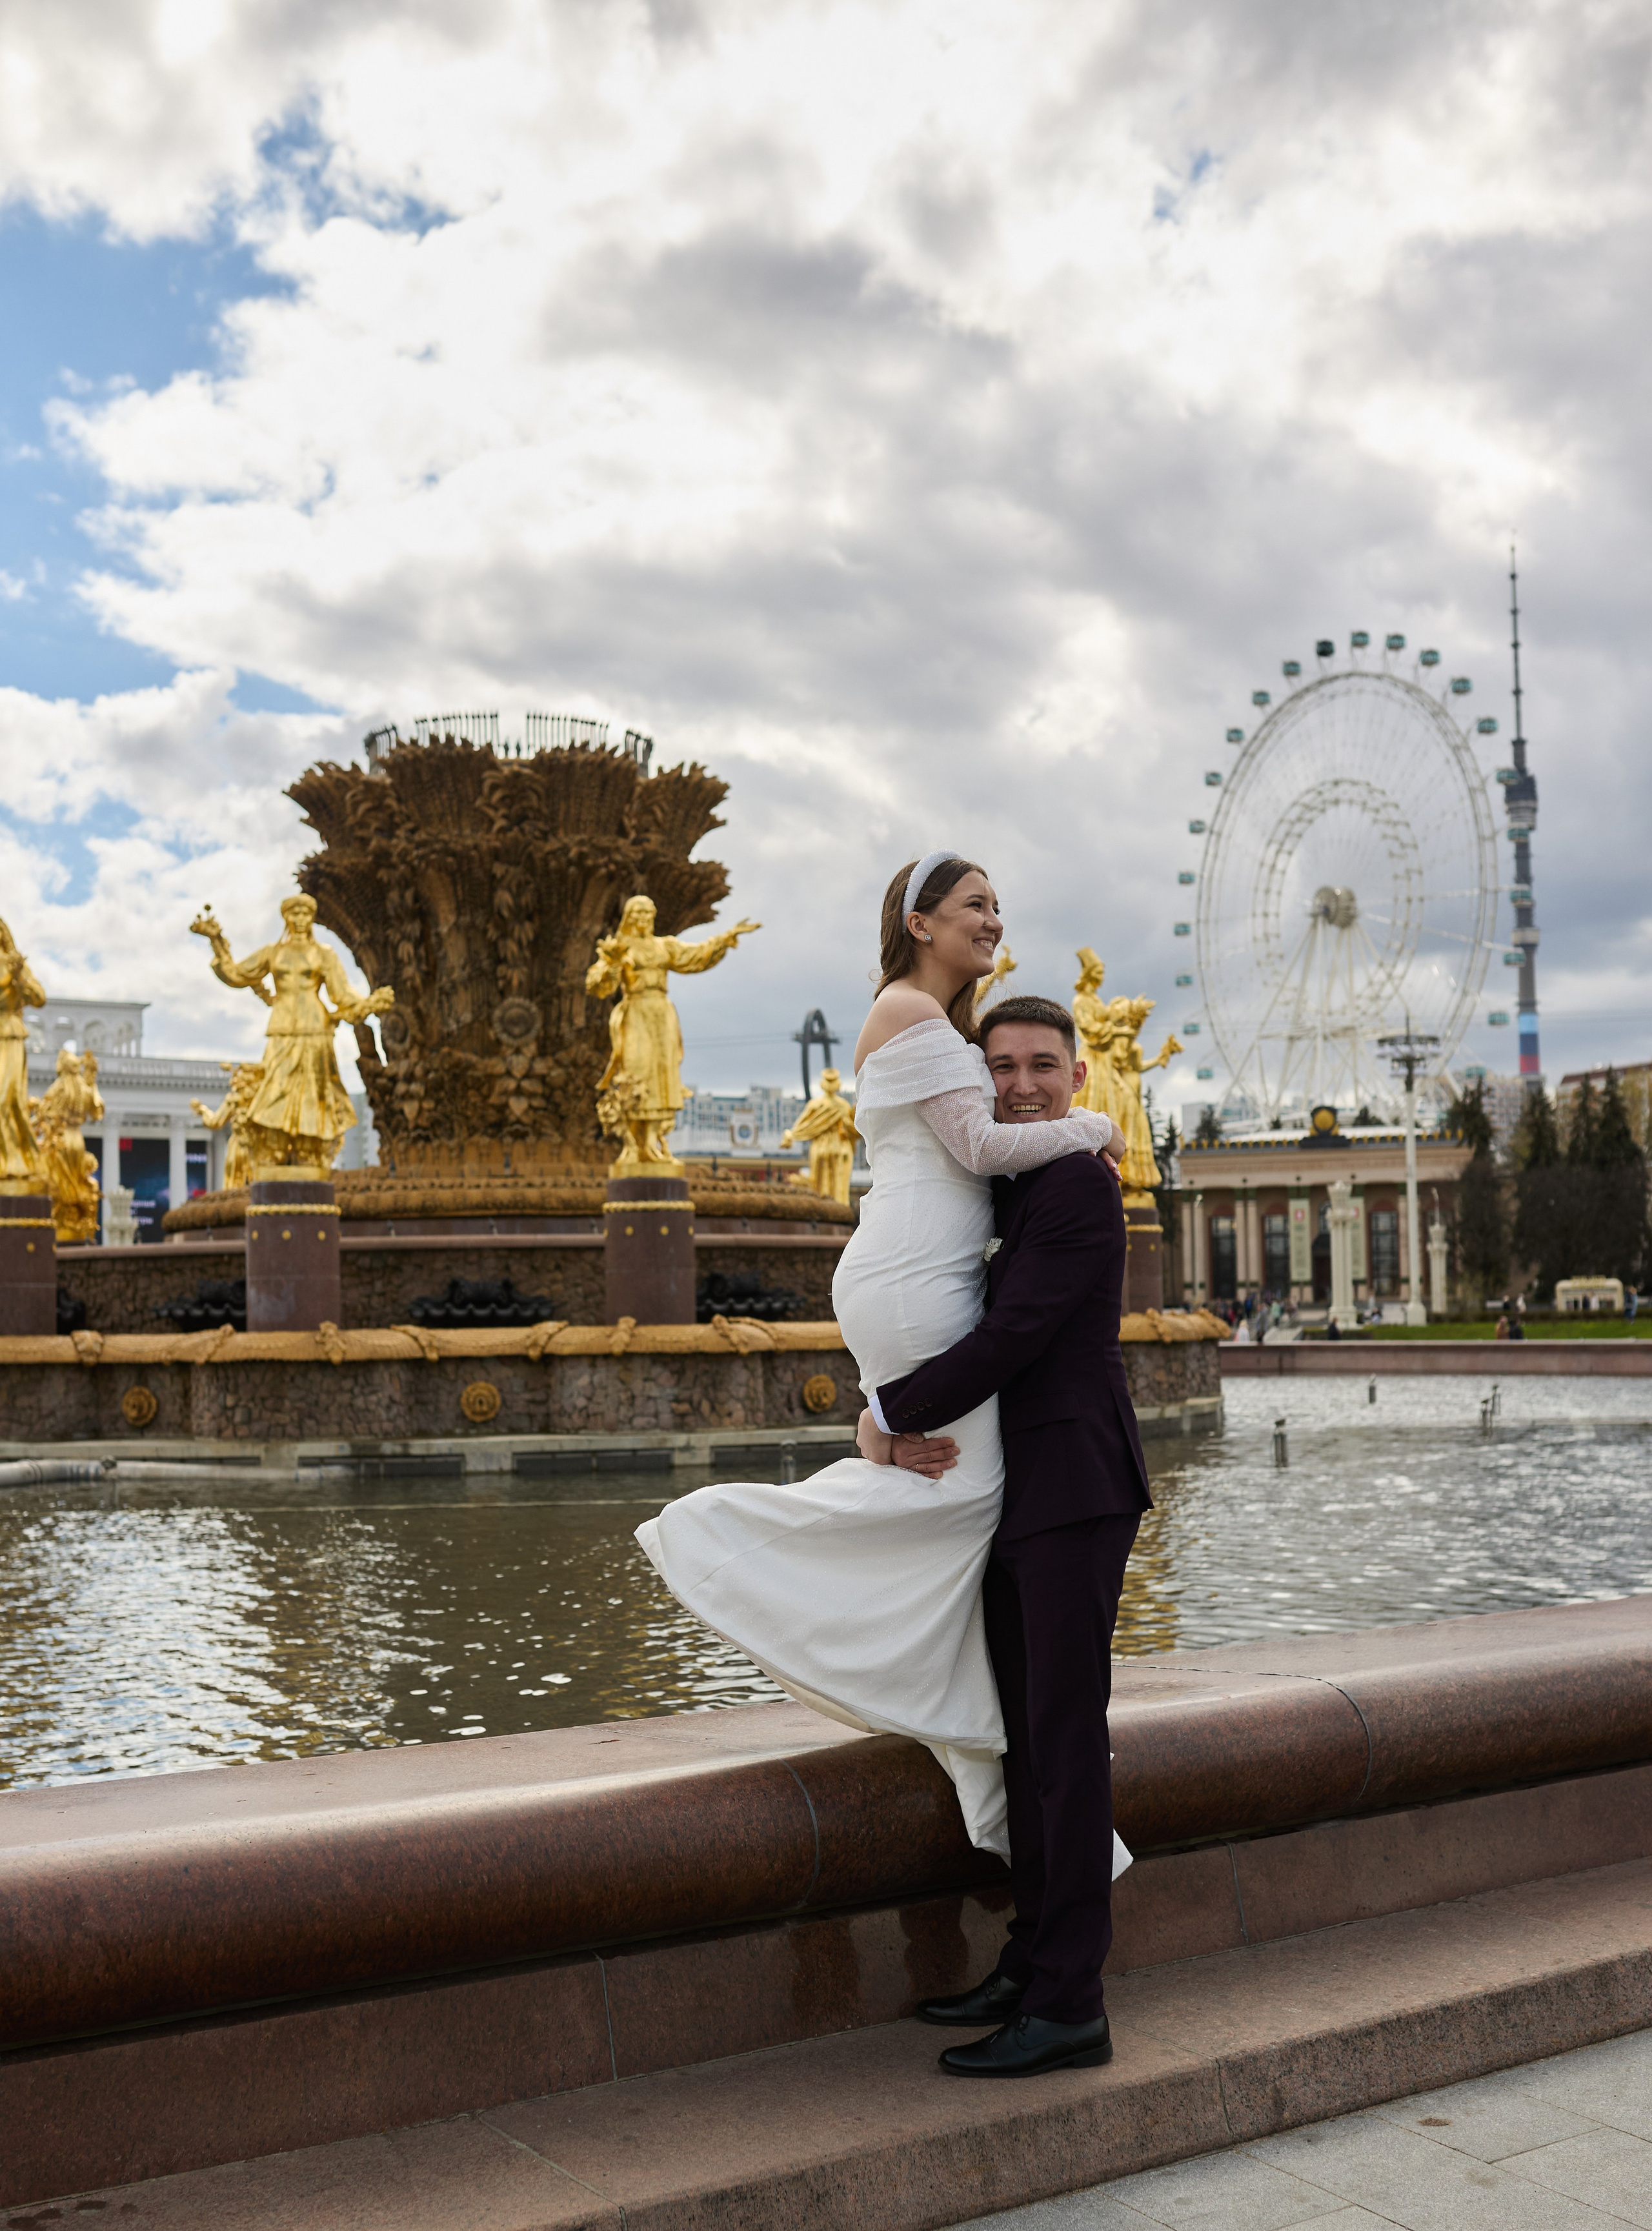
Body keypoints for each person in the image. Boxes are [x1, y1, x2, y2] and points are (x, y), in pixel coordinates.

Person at [636, 853, 1120, 1863]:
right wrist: (1094, 1123)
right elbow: (986, 1151)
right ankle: (741, 1543)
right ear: (920, 919)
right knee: (970, 1501)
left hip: (905, 1270)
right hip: (914, 1275)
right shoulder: (914, 1015)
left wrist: (882, 1416)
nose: (994, 918)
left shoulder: (926, 1022)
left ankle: (971, 1751)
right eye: (975, 904)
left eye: (997, 902)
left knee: (959, 1509)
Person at [864, 994, 1151, 2079]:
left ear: (1080, 1080)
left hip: (1074, 1488)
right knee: (1029, 1741)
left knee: (1068, 1748)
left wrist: (889, 1411)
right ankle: (1033, 1961)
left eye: (1042, 1065)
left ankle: (1072, 2000)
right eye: (1002, 1067)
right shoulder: (1020, 1181)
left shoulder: (1075, 1181)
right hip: (1023, 1493)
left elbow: (1016, 1334)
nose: (1022, 1083)